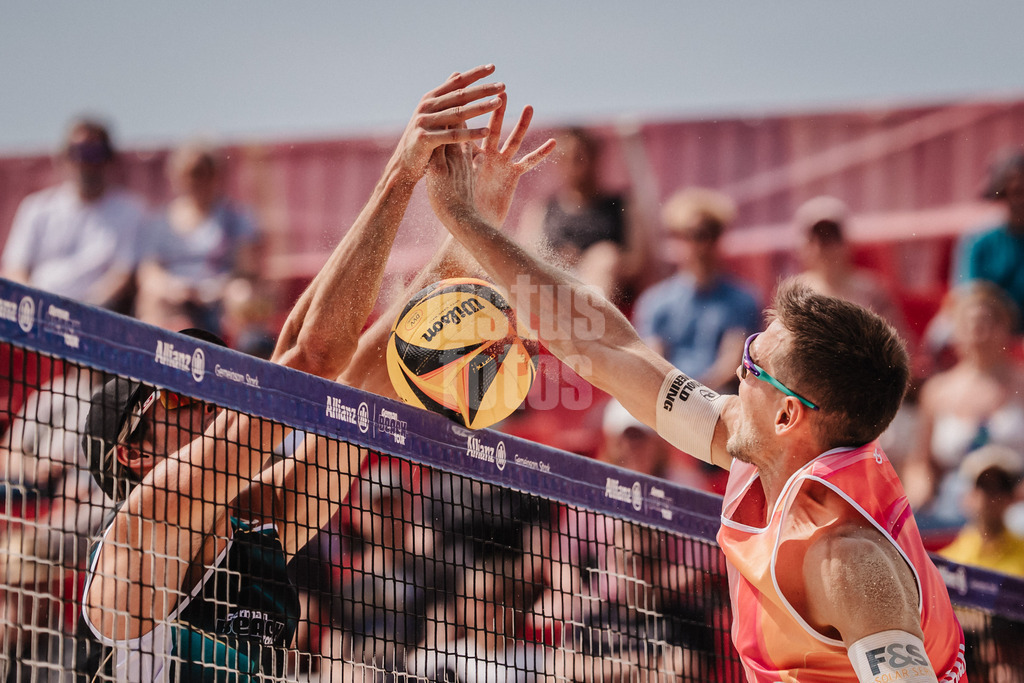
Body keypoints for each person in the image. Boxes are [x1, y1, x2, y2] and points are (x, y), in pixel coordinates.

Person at [74, 65, 554, 682]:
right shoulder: (145, 523)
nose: (203, 398)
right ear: (134, 456)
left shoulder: (258, 520)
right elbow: (310, 361)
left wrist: (475, 222)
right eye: (174, 402)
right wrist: (402, 170)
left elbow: (367, 379)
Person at [426, 135, 967, 681]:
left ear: (788, 416)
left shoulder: (847, 561)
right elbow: (605, 346)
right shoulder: (765, 448)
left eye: (754, 365)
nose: (738, 371)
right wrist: (468, 222)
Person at [902, 281, 1024, 531]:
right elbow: (920, 462)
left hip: (1015, 506)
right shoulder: (937, 391)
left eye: (988, 323)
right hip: (953, 508)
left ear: (1005, 327)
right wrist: (920, 493)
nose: (979, 332)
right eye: (970, 324)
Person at [1, 117, 147, 312]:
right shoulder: (36, 208)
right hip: (34, 314)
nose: (85, 163)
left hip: (96, 318)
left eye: (94, 153)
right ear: (64, 156)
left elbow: (122, 275)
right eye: (78, 152)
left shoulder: (130, 212)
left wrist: (82, 313)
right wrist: (35, 304)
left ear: (108, 158)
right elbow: (14, 268)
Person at [631, 187, 760, 393]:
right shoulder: (655, 300)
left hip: (717, 396)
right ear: (677, 238)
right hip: (667, 393)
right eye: (695, 235)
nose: (703, 244)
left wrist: (693, 395)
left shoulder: (743, 299)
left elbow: (730, 363)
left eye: (711, 233)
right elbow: (654, 360)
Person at [135, 141, 262, 336]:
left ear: (216, 175)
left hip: (219, 296)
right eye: (189, 173)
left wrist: (214, 289)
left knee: (242, 294)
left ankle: (247, 355)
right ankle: (151, 359)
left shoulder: (237, 216)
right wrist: (173, 288)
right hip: (175, 298)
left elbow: (245, 269)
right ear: (176, 177)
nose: (196, 180)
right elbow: (148, 272)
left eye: (203, 172)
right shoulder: (159, 221)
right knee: (152, 297)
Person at [791, 195, 906, 335]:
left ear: (846, 242)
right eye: (815, 239)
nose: (823, 247)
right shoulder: (793, 292)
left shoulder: (872, 291)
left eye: (831, 236)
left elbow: (898, 343)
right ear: (803, 246)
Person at [951, 148, 1024, 324]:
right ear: (1002, 192)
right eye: (1017, 192)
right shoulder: (978, 241)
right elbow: (968, 299)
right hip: (989, 331)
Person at [938, 445, 1024, 577]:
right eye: (985, 486)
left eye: (1001, 487)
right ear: (969, 496)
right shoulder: (949, 559)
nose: (993, 496)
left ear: (1011, 497)